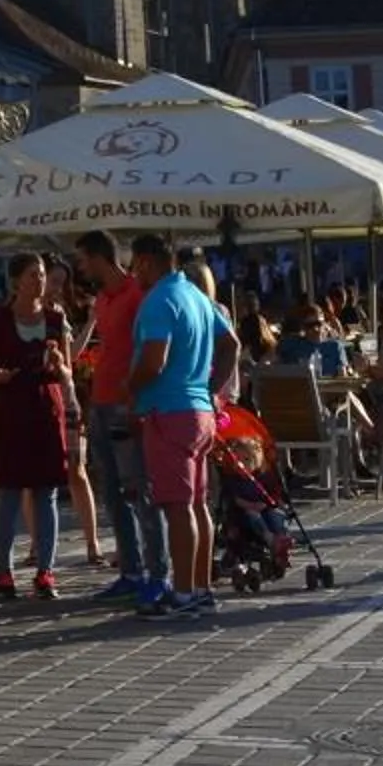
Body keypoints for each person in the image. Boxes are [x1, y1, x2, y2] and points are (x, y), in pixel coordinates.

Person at [127, 234, 237, 622]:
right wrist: (210, 389)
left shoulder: (159, 300)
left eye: (133, 264)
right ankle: (202, 587)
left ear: (144, 262)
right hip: (199, 411)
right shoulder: (196, 295)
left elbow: (154, 360)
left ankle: (184, 592)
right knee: (197, 504)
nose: (132, 273)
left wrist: (131, 387)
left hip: (168, 412)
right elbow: (231, 345)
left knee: (177, 507)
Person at [75, 231, 172, 610]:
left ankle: (156, 571)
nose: (80, 268)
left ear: (99, 258)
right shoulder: (103, 298)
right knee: (112, 493)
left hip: (126, 403)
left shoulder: (138, 295)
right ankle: (130, 571)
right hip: (100, 401)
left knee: (140, 491)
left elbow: (149, 349)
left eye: (82, 260)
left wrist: (137, 397)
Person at [0, 254, 73, 599]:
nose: (40, 281)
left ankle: (45, 570)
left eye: (43, 275)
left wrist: (61, 365)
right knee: (8, 492)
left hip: (46, 409)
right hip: (12, 409)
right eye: (33, 275)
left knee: (46, 492)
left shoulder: (56, 319)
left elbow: (67, 374)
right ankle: (3, 570)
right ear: (16, 281)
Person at [46, 259, 107, 568]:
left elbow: (73, 357)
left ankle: (93, 542)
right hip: (40, 397)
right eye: (52, 280)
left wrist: (92, 322)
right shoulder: (17, 315)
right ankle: (38, 546)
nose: (57, 288)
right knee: (37, 478)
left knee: (76, 470)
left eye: (60, 282)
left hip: (66, 395)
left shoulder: (60, 317)